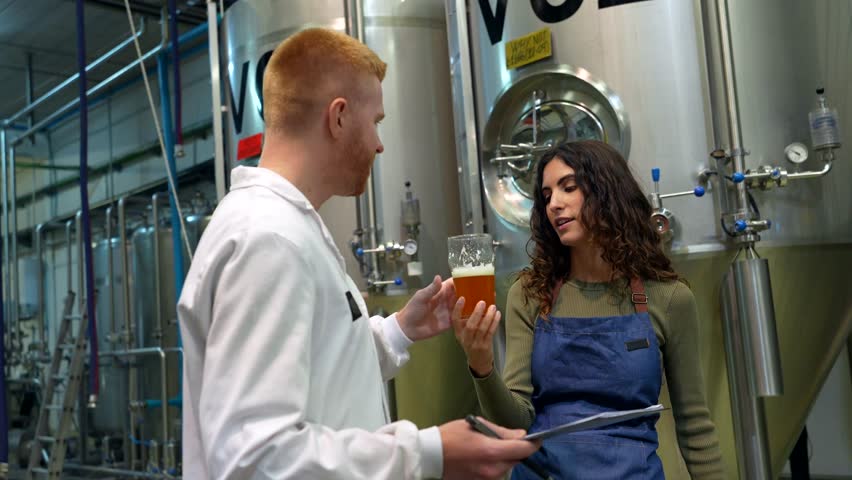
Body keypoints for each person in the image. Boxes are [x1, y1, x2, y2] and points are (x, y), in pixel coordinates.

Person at [177, 28, 539, 479]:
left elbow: (320, 366)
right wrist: (429, 451)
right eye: (377, 122)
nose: (380, 144)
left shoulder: (287, 226)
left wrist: (400, 330)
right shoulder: (268, 240)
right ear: (340, 117)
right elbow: (255, 457)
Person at [453, 140, 725, 479]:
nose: (555, 203)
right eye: (547, 194)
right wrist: (482, 366)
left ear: (607, 192)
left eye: (569, 187)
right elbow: (515, 423)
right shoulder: (529, 294)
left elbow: (696, 428)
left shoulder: (668, 298)